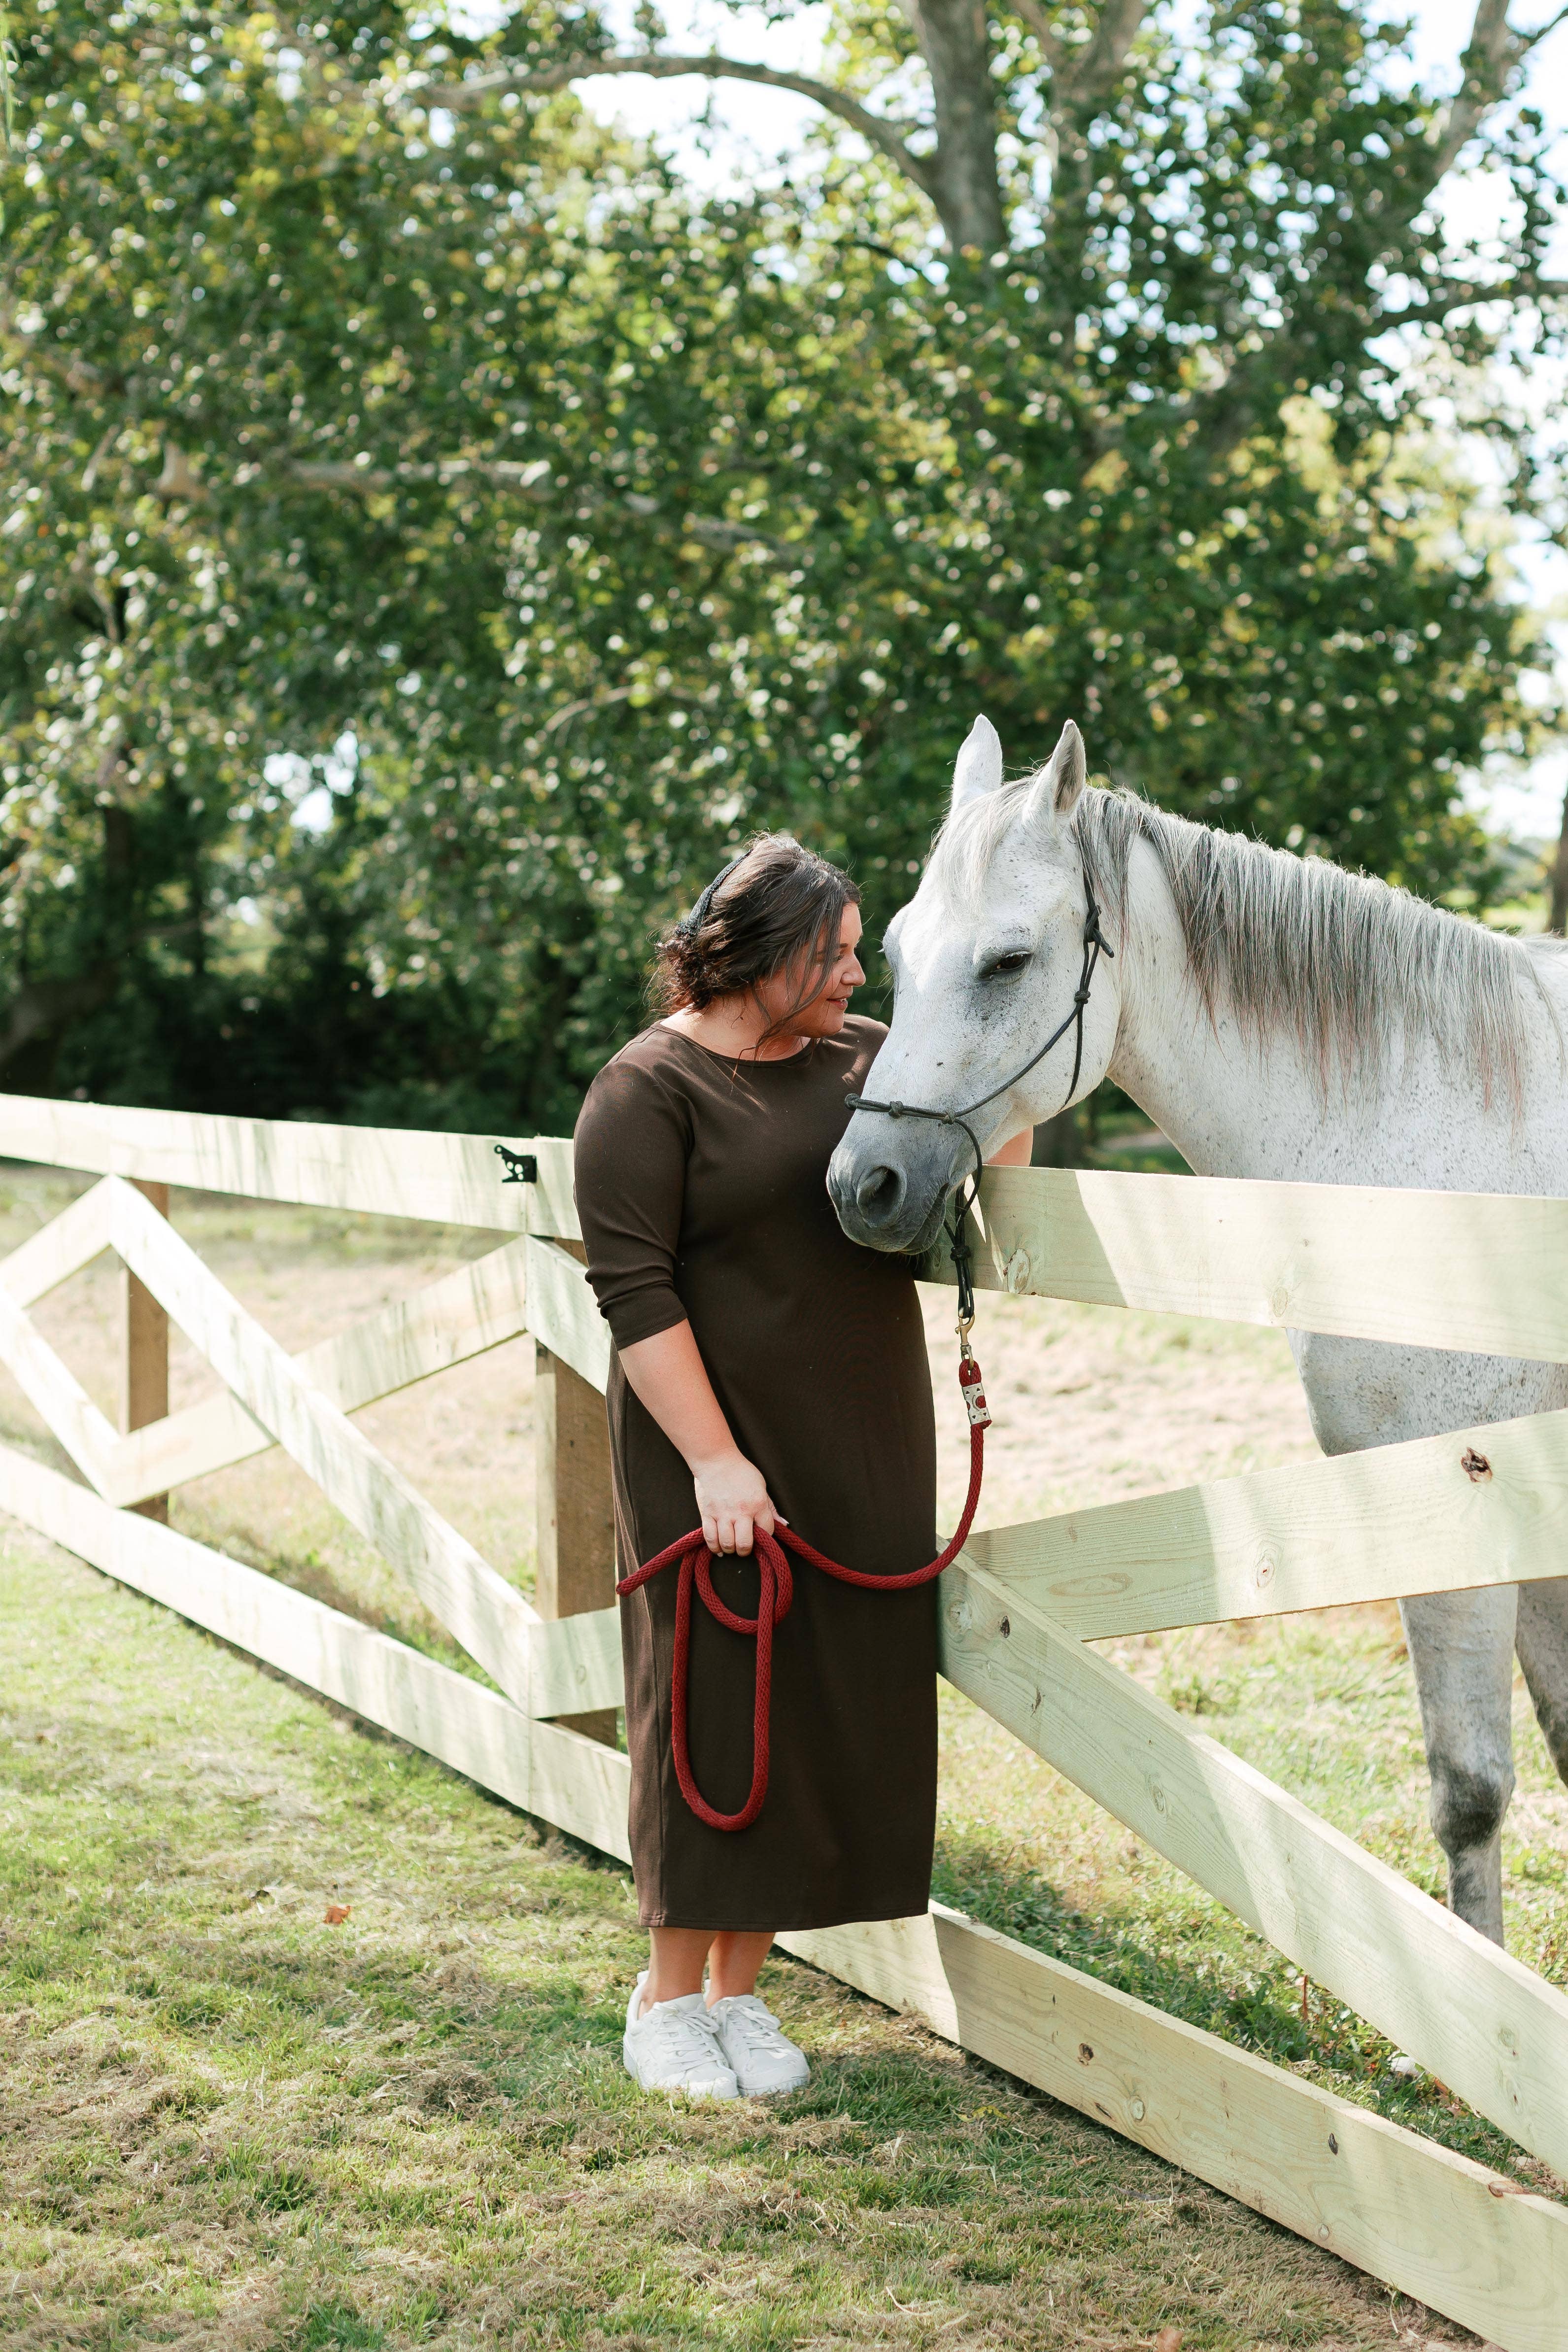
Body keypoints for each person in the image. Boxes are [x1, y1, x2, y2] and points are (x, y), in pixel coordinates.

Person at [572, 834, 1032, 2100]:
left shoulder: (871, 1059)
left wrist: (1007, 1070)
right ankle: (667, 2003)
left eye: (856, 953)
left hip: (862, 1436)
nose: (851, 973)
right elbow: (634, 1290)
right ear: (759, 953)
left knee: (819, 1704)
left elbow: (990, 1168)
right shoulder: (646, 1087)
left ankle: (738, 1993)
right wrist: (716, 1461)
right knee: (713, 1706)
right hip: (709, 1446)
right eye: (831, 952)